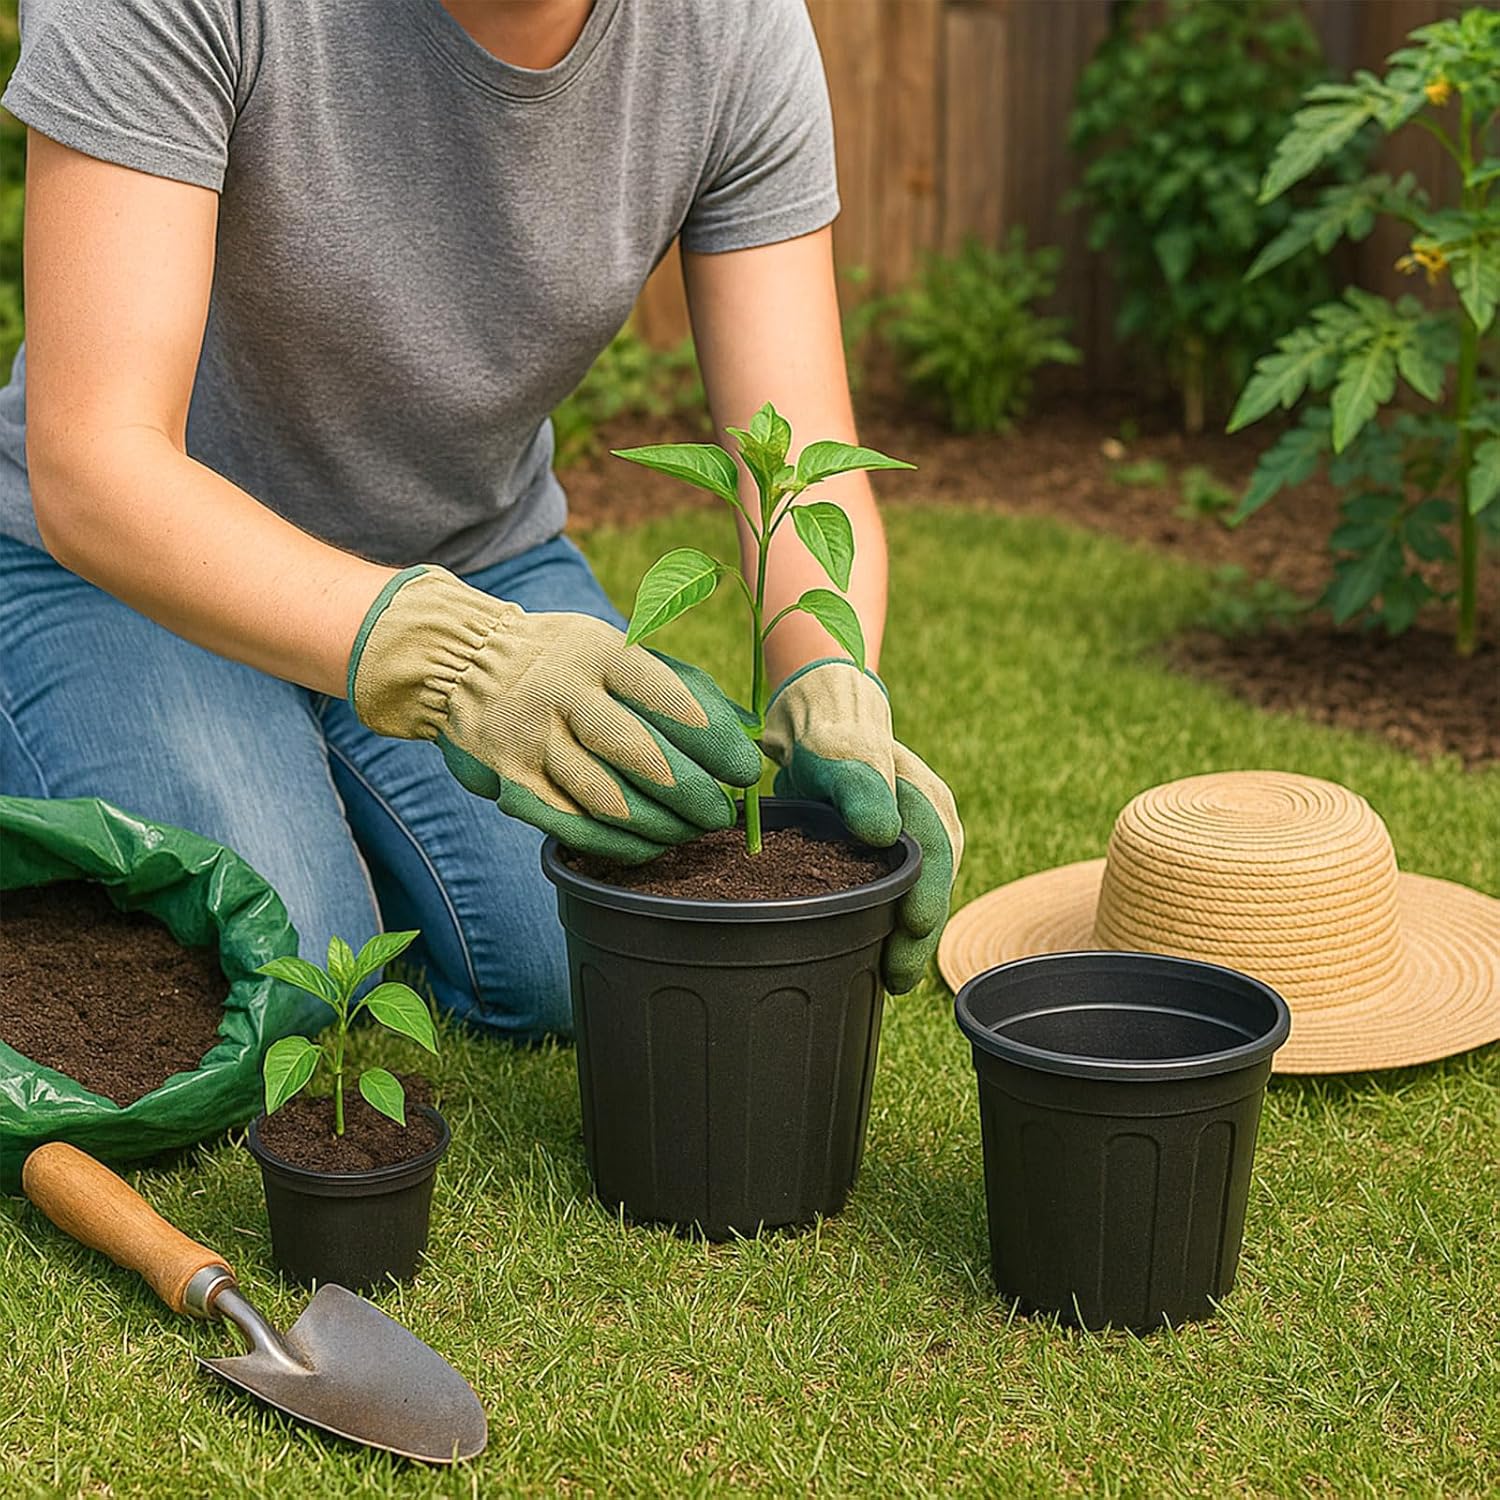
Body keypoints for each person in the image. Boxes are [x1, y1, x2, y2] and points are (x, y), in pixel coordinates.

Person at [0, 0, 962, 1040]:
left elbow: (797, 450)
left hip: (473, 558)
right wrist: (449, 661)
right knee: (279, 967)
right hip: (129, 576)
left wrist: (831, 683)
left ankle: (314, 784)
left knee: (593, 962)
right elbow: (95, 462)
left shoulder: (728, 28)